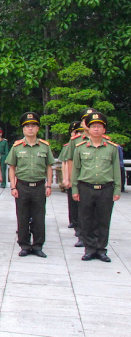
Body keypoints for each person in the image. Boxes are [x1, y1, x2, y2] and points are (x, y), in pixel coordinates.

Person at [72, 111, 122, 262]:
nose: (96, 129)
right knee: (85, 219)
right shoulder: (80, 147)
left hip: (105, 188)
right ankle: (89, 249)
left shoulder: (112, 148)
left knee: (103, 220)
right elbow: (76, 170)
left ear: (104, 130)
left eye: (99, 126)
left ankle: (101, 249)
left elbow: (116, 170)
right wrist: (74, 188)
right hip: (86, 187)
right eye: (93, 126)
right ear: (88, 128)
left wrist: (117, 188)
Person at [6, 112, 53, 258]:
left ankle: (38, 245)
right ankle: (24, 245)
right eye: (27, 126)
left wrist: (49, 185)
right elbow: (12, 167)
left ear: (38, 128)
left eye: (33, 126)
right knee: (22, 216)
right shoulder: (17, 147)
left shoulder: (44, 147)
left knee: (39, 217)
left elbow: (49, 166)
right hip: (22, 186)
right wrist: (13, 186)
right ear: (23, 129)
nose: (30, 129)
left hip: (39, 186)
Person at [59, 121, 83, 246]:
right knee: (73, 203)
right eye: (75, 131)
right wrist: (66, 178)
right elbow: (65, 161)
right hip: (73, 177)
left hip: (85, 179)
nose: (77, 133)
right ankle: (75, 222)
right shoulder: (69, 145)